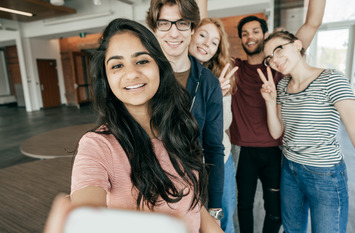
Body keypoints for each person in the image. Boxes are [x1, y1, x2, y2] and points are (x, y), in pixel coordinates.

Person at [70, 18, 223, 233]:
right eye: (117, 65)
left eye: (142, 61)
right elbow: (85, 217)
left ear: (159, 66)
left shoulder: (179, 125)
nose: (131, 73)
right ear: (106, 78)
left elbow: (192, 204)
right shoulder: (97, 146)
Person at [229, 1, 326, 232]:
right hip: (244, 151)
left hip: (277, 150)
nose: (249, 37)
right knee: (243, 206)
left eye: (255, 31)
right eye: (244, 34)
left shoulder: (281, 64)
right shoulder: (236, 68)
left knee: (275, 211)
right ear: (241, 40)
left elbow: (312, 23)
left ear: (265, 35)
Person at [258, 29, 355, 233]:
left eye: (278, 50)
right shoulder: (283, 85)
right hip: (290, 169)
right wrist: (270, 101)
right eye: (268, 58)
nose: (274, 60)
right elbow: (277, 133)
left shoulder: (332, 79)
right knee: (292, 230)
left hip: (324, 174)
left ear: (297, 45)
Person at [146, 0, 225, 222]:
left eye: (181, 23)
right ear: (154, 28)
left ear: (192, 28)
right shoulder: (141, 74)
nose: (173, 33)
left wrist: (215, 208)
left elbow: (214, 148)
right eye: (164, 23)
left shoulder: (208, 83)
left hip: (190, 192)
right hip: (146, 189)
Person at [188, 3, 239, 231]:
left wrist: (219, 96)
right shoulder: (171, 74)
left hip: (220, 160)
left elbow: (223, 127)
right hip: (187, 165)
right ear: (189, 34)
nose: (206, 44)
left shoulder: (218, 77)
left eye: (214, 42)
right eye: (202, 35)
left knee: (221, 219)